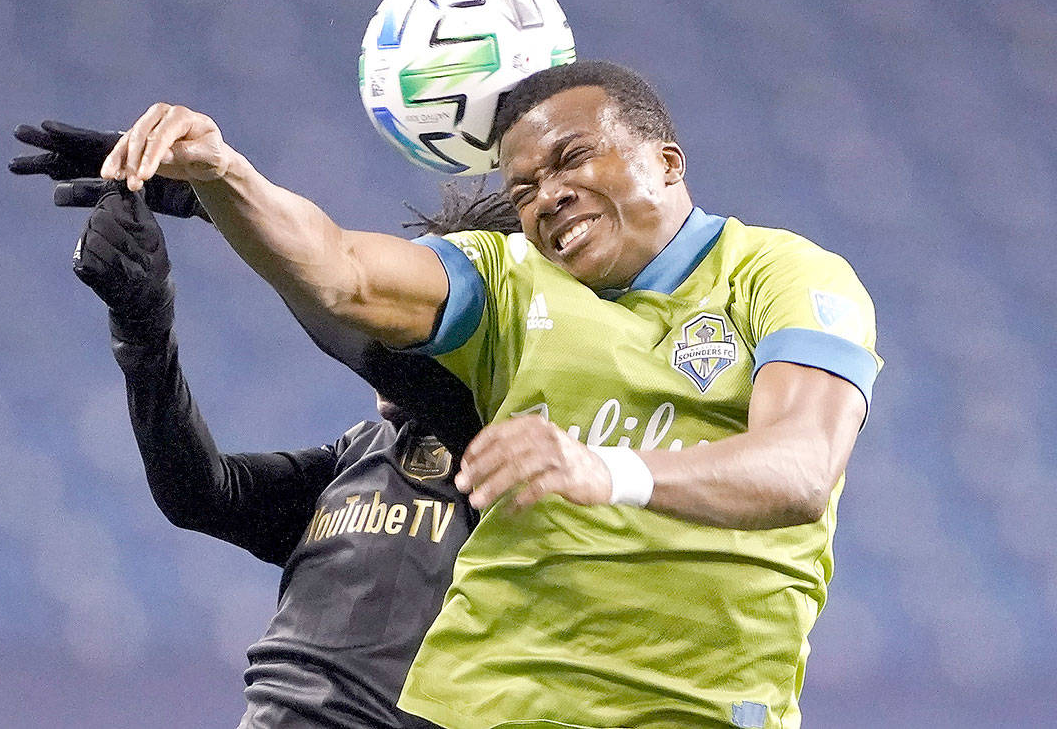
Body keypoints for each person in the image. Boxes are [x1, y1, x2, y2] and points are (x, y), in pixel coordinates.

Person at [95, 59, 882, 729]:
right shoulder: (506, 281)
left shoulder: (779, 275)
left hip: (693, 706)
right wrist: (224, 173)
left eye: (575, 158)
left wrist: (607, 471)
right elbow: (342, 270)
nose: (550, 195)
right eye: (528, 185)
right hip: (485, 704)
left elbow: (802, 469)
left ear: (667, 161)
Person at [13, 127, 521, 727]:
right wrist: (143, 329)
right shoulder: (362, 454)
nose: (390, 317)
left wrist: (217, 198)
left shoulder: (514, 453)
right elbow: (202, 494)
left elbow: (349, 317)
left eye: (414, 308)